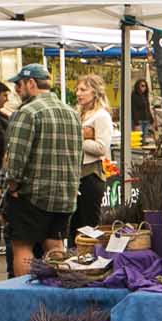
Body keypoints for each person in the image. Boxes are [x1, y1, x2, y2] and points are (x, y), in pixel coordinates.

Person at [0, 63, 82, 279]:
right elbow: (78, 156)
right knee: (55, 246)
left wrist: (12, 187)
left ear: (31, 83)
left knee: (22, 246)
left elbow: (14, 158)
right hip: (65, 196)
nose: (17, 90)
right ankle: (58, 295)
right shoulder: (71, 113)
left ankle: (23, 297)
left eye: (19, 84)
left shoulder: (27, 112)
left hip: (32, 196)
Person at [69, 74, 116, 240]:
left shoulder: (101, 116)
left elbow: (102, 147)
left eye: (83, 89)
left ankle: (90, 259)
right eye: (78, 89)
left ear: (95, 92)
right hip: (76, 175)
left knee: (88, 225)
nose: (78, 93)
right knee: (73, 225)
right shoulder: (79, 114)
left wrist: (78, 139)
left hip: (91, 175)